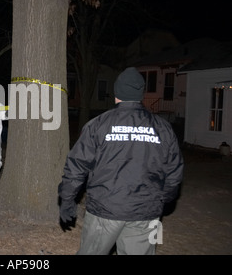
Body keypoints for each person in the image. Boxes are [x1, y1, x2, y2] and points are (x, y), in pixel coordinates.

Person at [58, 67, 184, 255]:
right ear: (140, 94)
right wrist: (162, 198)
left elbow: (77, 165)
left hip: (105, 210)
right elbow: (174, 172)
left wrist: (67, 199)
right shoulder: (163, 128)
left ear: (117, 93)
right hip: (145, 213)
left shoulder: (98, 125)